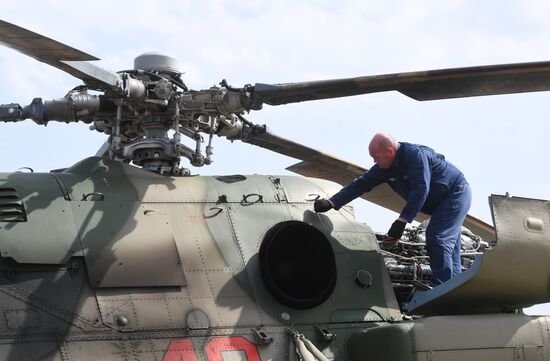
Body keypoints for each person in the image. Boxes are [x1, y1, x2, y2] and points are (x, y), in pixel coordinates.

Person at [314, 132, 471, 285]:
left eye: (377, 157)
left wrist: (402, 221)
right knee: (449, 249)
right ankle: (454, 286)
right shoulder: (384, 167)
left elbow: (421, 189)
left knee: (437, 237)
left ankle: (442, 287)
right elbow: (361, 184)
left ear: (390, 151)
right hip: (440, 205)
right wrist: (332, 203)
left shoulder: (415, 156)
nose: (375, 161)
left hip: (454, 194)